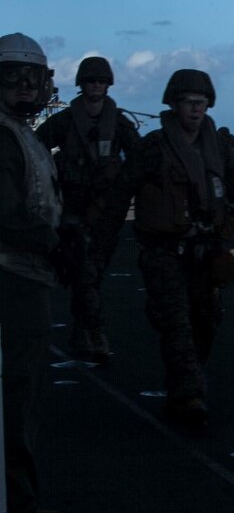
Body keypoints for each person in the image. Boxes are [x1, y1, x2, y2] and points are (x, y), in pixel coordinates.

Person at [99, 69, 234, 431]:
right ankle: (190, 396)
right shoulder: (153, 147)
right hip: (163, 251)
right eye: (189, 102)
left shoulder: (220, 148)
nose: (196, 109)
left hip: (207, 251)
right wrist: (102, 245)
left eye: (202, 103)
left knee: (205, 322)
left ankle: (182, 388)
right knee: (176, 324)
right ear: (173, 104)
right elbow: (119, 195)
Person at [0, 33, 70, 513]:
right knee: (16, 403)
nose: (26, 89)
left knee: (23, 403)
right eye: (14, 79)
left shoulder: (21, 134)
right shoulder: (6, 137)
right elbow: (5, 216)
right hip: (14, 279)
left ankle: (22, 504)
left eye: (33, 80)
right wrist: (55, 243)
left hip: (27, 276)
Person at [36, 56, 139, 363]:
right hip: (72, 212)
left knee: (90, 275)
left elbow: (138, 159)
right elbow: (36, 147)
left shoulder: (119, 123)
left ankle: (83, 331)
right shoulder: (65, 121)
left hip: (106, 213)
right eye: (91, 81)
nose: (96, 86)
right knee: (86, 273)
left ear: (108, 85)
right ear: (81, 85)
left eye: (101, 81)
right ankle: (93, 333)